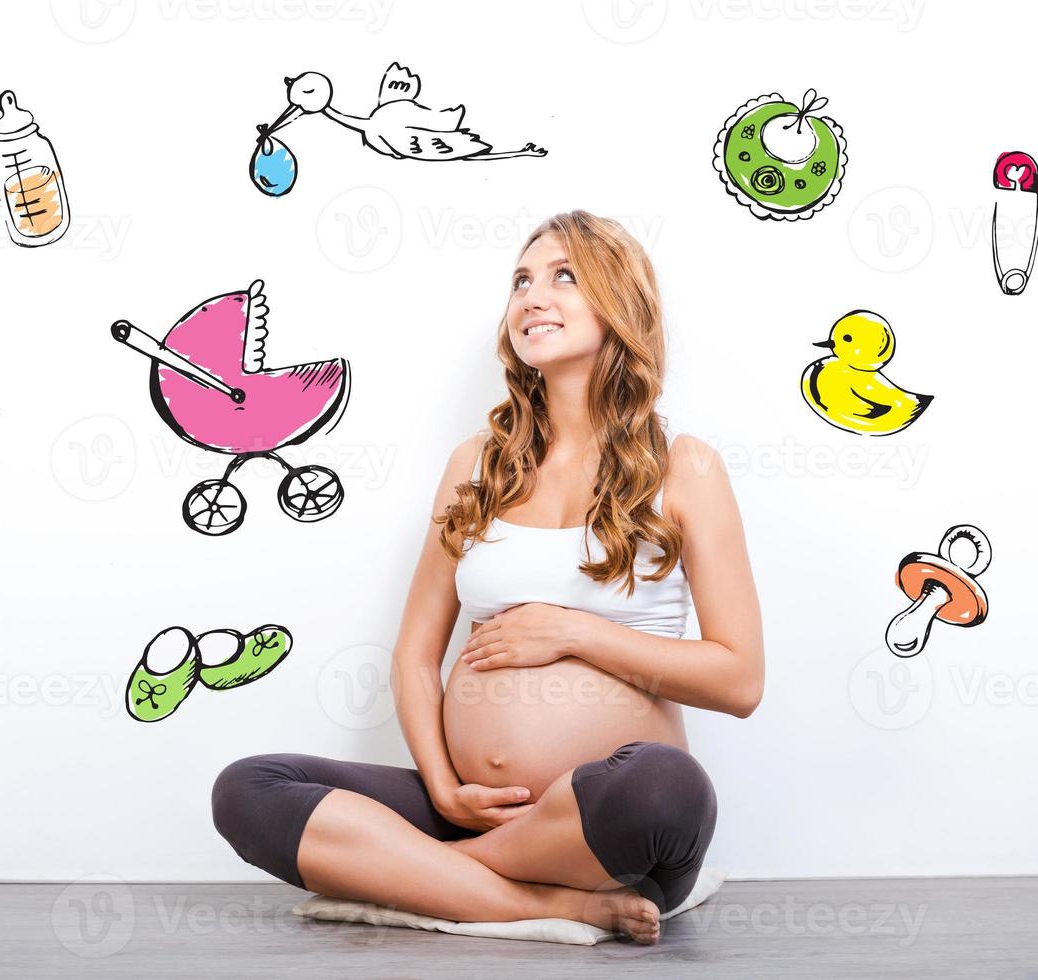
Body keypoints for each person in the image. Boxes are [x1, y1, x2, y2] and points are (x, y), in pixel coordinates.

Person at [212, 210, 764, 944]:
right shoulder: (476, 466)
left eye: (564, 276)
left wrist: (574, 632)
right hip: (475, 805)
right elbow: (414, 654)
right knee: (248, 790)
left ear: (622, 303)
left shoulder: (684, 467)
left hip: (604, 829)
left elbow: (738, 680)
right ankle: (545, 902)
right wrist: (442, 785)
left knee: (666, 789)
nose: (532, 296)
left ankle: (429, 876)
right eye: (521, 281)